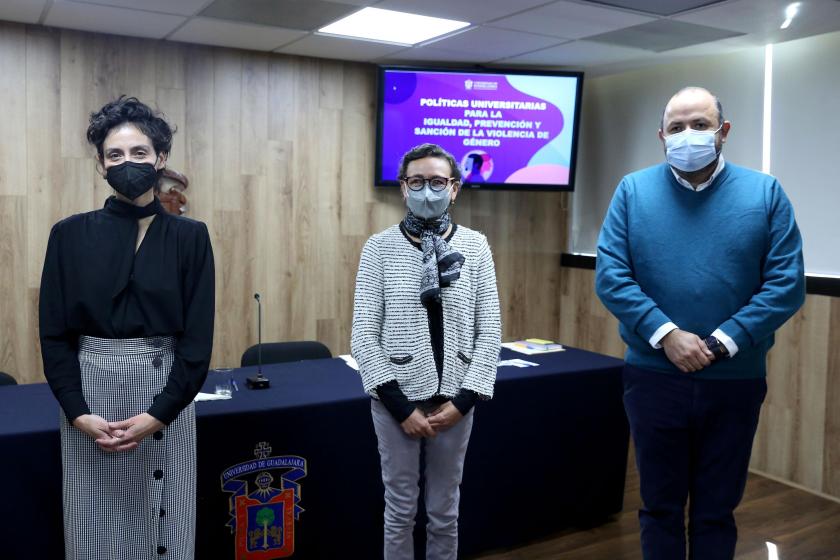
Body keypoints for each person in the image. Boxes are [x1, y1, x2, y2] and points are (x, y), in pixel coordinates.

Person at [595, 86, 805, 559]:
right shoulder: (632, 191)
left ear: (723, 131)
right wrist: (668, 336)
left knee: (716, 510)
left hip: (734, 379)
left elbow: (786, 285)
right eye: (676, 127)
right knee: (659, 507)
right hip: (653, 378)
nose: (687, 135)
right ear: (661, 137)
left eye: (699, 124)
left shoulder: (765, 193)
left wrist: (719, 342)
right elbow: (611, 276)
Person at [39, 96, 215, 560]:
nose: (127, 163)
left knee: (164, 528)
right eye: (114, 155)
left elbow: (197, 342)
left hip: (166, 400)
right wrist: (78, 413)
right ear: (100, 165)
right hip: (89, 405)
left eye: (139, 153)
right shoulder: (69, 234)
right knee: (94, 530)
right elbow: (54, 335)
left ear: (160, 159)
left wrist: (159, 413)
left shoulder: (190, 236)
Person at [351, 143, 501, 560]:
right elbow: (363, 334)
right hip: (395, 401)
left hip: (456, 401)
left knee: (444, 511)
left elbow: (489, 330)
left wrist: (465, 400)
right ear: (403, 188)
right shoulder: (378, 248)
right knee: (399, 511)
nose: (427, 191)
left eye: (437, 182)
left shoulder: (476, 246)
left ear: (454, 189)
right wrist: (400, 407)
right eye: (417, 182)